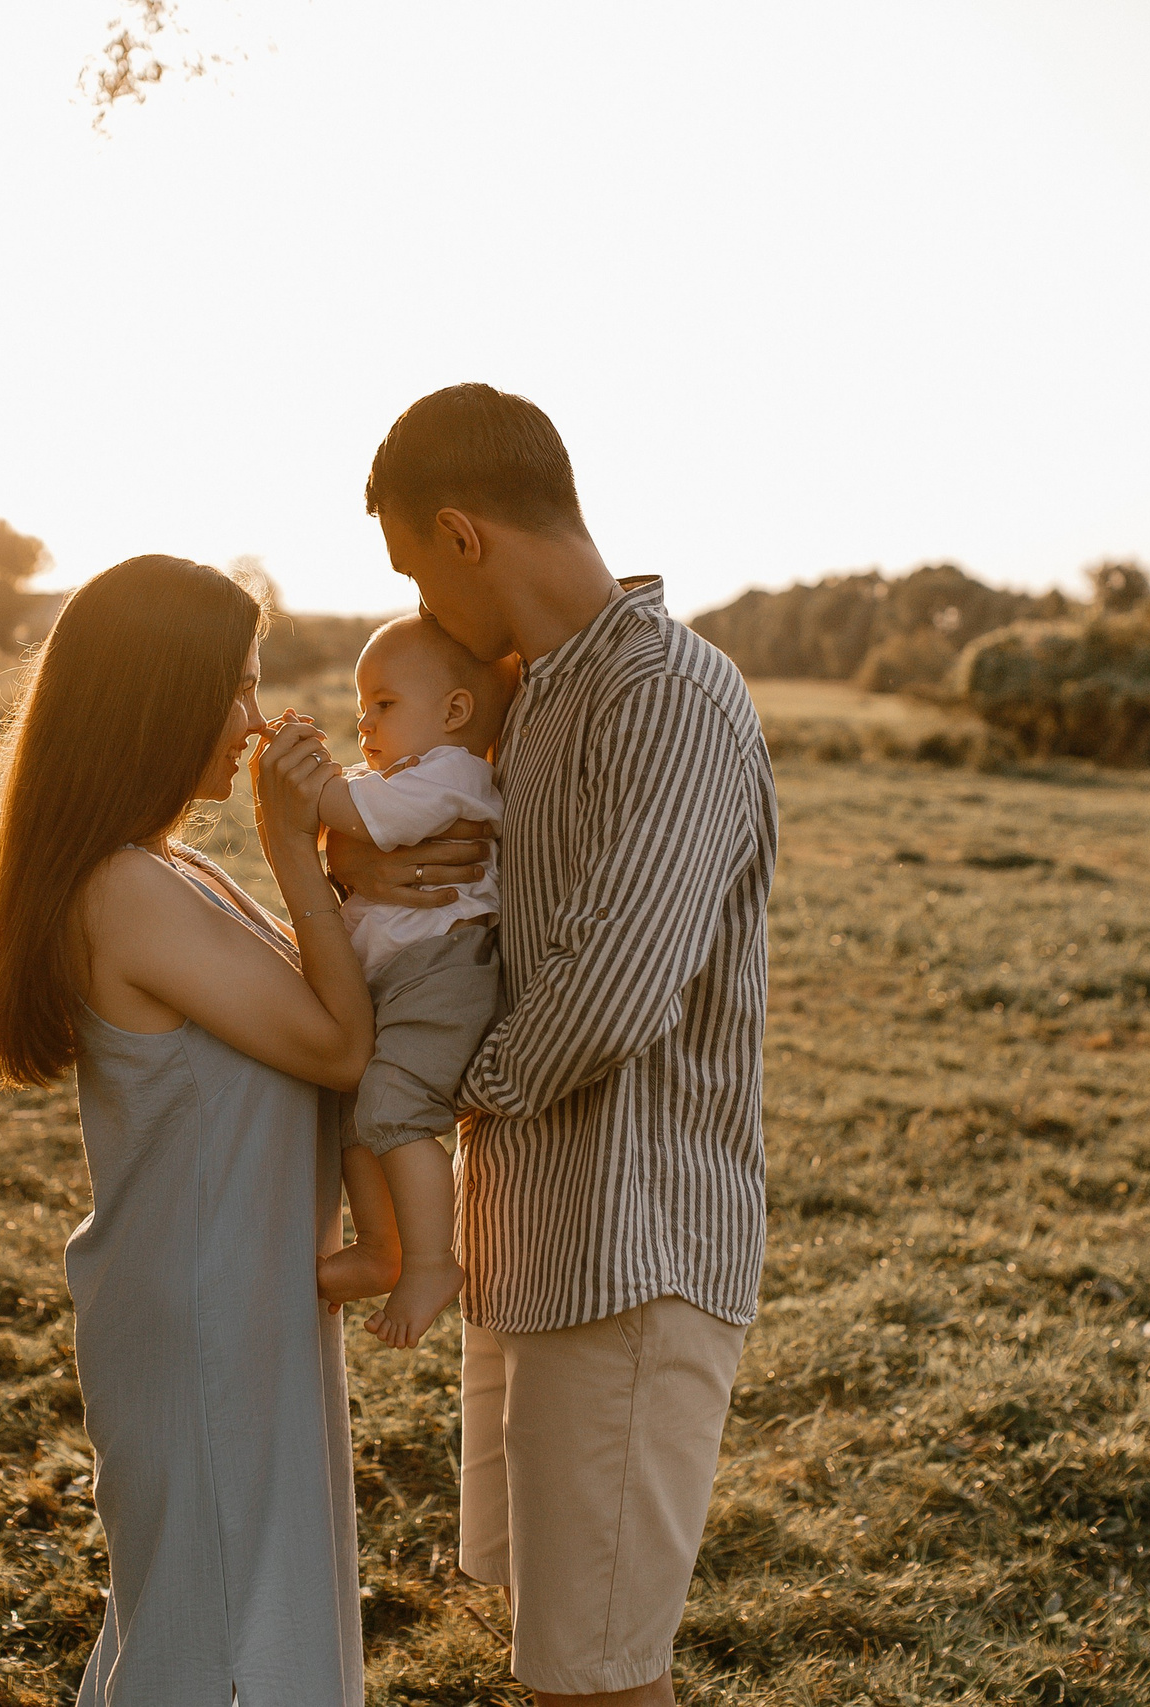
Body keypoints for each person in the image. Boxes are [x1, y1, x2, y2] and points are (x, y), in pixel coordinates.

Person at [329, 386, 778, 1707]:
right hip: (531, 1229)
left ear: (463, 534)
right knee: (551, 1645)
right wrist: (356, 846)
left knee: (599, 1676)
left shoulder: (667, 696)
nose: (413, 600)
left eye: (413, 566)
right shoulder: (522, 701)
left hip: (627, 1247)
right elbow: (423, 828)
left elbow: (616, 987)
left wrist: (431, 1090)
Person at [0, 554, 368, 1707]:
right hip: (204, 1311)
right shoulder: (127, 892)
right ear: (157, 702)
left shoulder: (169, 870)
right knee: (221, 1640)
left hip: (237, 1292)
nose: (254, 718)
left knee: (212, 1612)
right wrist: (295, 851)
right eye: (231, 689)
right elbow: (339, 1046)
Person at [307, 614, 518, 1347]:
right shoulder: (405, 772)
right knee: (363, 1112)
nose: (364, 722)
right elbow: (360, 820)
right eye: (361, 706)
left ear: (454, 712)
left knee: (395, 1104)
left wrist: (301, 792)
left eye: (385, 704)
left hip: (442, 976)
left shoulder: (453, 772)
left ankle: (432, 1261)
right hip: (404, 980)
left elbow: (369, 816)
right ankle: (378, 1248)